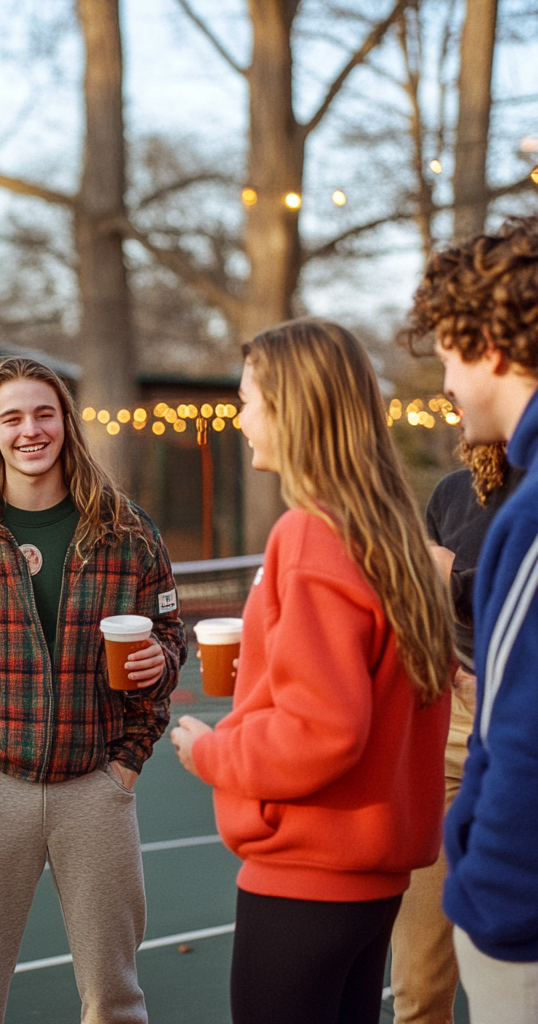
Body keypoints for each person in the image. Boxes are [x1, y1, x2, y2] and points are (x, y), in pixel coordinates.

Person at [0, 356, 186, 1024]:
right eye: (12, 417)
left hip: (97, 790)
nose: (31, 430)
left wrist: (130, 755)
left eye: (43, 413)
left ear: (66, 423)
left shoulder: (127, 530)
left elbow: (170, 635)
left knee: (116, 1000)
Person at [171, 318, 453, 1024]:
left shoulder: (309, 532)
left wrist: (210, 751)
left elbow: (322, 729)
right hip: (372, 880)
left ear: (291, 409)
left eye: (248, 402)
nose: (239, 420)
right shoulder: (389, 533)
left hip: (309, 877)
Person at [403, 215, 538, 1024]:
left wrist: (490, 903)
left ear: (488, 342)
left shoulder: (528, 512)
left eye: (449, 352)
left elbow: (521, 732)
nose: (446, 381)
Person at [389, 442, 522, 1024]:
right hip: (447, 729)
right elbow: (420, 612)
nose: (449, 389)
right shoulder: (448, 493)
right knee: (418, 982)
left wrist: (456, 584)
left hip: (521, 731)